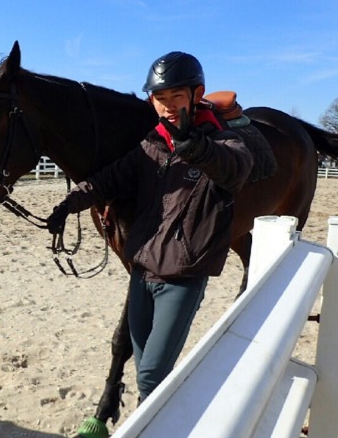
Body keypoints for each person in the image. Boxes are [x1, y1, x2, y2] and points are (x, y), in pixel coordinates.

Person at [46, 51, 254, 404]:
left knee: (151, 375)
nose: (168, 105)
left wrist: (196, 148)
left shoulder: (223, 142)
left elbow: (235, 169)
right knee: (146, 369)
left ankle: (154, 434)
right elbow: (109, 179)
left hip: (182, 276)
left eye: (176, 96)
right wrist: (69, 204)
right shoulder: (152, 145)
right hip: (142, 271)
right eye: (160, 98)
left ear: (196, 94)